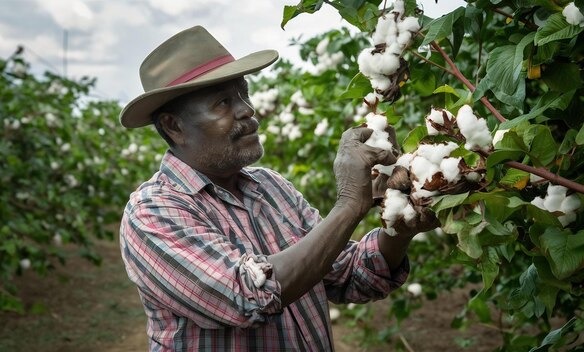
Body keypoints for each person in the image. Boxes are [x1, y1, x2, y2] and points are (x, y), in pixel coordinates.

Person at [119, 25, 437, 351]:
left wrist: (399, 224)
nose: (247, 109)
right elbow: (247, 297)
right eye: (223, 102)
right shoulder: (152, 212)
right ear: (175, 127)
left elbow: (348, 276)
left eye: (243, 93)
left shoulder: (272, 187)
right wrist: (348, 204)